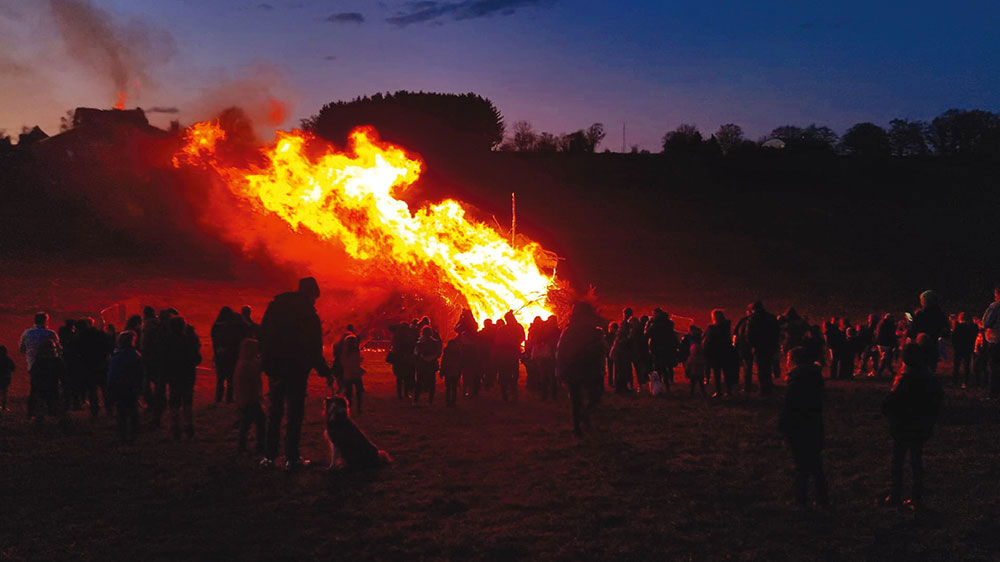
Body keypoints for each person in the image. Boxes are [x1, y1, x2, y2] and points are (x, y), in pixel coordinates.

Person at [259, 277, 331, 469]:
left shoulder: (275, 307)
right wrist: (324, 370)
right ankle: (292, 457)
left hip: (275, 367)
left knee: (274, 412)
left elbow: (262, 334)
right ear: (311, 294)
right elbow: (313, 346)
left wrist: (265, 362)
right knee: (294, 412)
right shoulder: (308, 314)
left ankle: (269, 456)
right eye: (315, 297)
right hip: (296, 370)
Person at [881, 343, 943, 511]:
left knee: (898, 461)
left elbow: (890, 404)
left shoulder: (905, 380)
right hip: (920, 426)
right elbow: (936, 402)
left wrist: (887, 408)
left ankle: (896, 494)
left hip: (903, 426)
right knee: (916, 460)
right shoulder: (929, 378)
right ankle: (916, 497)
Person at [779, 347, 829, 509]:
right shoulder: (813, 377)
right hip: (813, 426)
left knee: (801, 466)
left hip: (799, 428)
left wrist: (784, 428)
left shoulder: (797, 381)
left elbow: (789, 407)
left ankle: (800, 500)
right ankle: (822, 498)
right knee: (815, 464)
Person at [556, 302, 605, 438]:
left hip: (581, 369)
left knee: (584, 399)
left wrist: (560, 371)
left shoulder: (588, 331)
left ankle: (581, 421)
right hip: (582, 369)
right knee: (583, 399)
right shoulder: (575, 331)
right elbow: (562, 352)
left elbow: (561, 352)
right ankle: (578, 425)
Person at [163, 316, 202, 440]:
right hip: (187, 374)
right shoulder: (188, 340)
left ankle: (175, 427)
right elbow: (197, 359)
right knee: (187, 400)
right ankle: (188, 425)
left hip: (174, 374)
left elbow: (163, 358)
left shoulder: (167, 341)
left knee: (174, 400)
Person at [107, 331, 143, 444]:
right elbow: (140, 373)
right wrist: (140, 386)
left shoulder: (116, 356)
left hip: (119, 385)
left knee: (121, 410)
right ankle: (134, 432)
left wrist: (110, 386)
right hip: (130, 386)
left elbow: (112, 373)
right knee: (132, 409)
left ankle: (122, 433)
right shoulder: (135, 355)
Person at [210, 306, 249, 404]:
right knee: (230, 378)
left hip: (220, 355)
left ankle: (218, 398)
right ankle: (228, 398)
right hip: (231, 355)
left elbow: (215, 341)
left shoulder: (217, 326)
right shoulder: (233, 326)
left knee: (220, 378)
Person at [233, 338, 266, 454]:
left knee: (247, 422)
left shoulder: (243, 363)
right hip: (249, 399)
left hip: (245, 398)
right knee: (257, 421)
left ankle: (244, 444)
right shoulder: (248, 366)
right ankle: (257, 444)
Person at [909, 290, 949, 373]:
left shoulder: (921, 314)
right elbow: (945, 328)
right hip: (934, 342)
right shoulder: (940, 314)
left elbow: (913, 329)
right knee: (931, 364)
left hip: (921, 342)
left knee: (921, 364)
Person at [27, 340, 64, 423]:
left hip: (47, 387)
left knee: (47, 405)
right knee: (49, 405)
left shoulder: (40, 361)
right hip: (50, 387)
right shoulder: (56, 361)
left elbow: (34, 375)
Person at [747, 301, 779, 395]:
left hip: (759, 346)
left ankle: (764, 390)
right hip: (770, 345)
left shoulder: (753, 318)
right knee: (768, 367)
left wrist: (752, 345)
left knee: (761, 368)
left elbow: (750, 334)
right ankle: (769, 387)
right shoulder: (771, 317)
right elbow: (777, 331)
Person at [494, 311, 525, 402]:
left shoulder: (502, 328)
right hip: (510, 354)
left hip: (508, 354)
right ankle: (509, 393)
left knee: (507, 373)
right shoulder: (516, 327)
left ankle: (507, 393)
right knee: (511, 373)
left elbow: (497, 342)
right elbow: (522, 338)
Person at [646, 308, 678, 392]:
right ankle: (667, 384)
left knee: (658, 368)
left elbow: (647, 334)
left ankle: (658, 387)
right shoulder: (668, 323)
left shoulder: (655, 324)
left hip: (656, 348)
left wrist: (649, 323)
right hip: (666, 348)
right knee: (665, 367)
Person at [703, 309, 733, 397]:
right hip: (726, 351)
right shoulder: (727, 327)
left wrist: (706, 351)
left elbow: (708, 341)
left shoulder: (712, 328)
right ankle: (729, 390)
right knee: (727, 372)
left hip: (715, 352)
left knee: (717, 373)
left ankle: (719, 391)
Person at [413, 326, 442, 405]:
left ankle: (415, 400)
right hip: (431, 365)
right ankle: (430, 401)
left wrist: (421, 357)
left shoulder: (419, 343)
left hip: (422, 365)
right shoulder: (435, 342)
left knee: (419, 382)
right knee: (432, 383)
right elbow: (438, 353)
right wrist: (432, 357)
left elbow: (415, 353)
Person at [981, 284, 1000, 400]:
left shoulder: (995, 306)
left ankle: (993, 393)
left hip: (995, 339)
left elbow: (987, 322)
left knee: (994, 367)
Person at [951, 313, 977, 388]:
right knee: (966, 365)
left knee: (956, 365)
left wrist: (954, 346)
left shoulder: (958, 327)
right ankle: (965, 381)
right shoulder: (973, 327)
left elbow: (953, 338)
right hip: (968, 348)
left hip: (958, 348)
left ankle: (955, 380)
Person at [340, 335, 366, 413]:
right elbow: (356, 361)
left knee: (348, 392)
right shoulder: (355, 352)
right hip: (356, 374)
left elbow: (343, 362)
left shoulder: (344, 353)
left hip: (348, 375)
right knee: (358, 392)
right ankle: (358, 407)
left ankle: (349, 406)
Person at [683, 325, 707, 397]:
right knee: (700, 383)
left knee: (694, 383)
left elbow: (688, 364)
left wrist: (687, 370)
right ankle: (702, 392)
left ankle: (692, 392)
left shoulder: (692, 358)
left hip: (694, 372)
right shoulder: (701, 358)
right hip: (699, 373)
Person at [440, 337, 463, 407]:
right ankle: (451, 401)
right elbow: (444, 363)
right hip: (452, 372)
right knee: (452, 388)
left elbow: (443, 363)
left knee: (451, 388)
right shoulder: (457, 353)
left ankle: (450, 401)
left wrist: (442, 371)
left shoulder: (448, 353)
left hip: (451, 372)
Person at [875, 313, 899, 378]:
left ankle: (883, 372)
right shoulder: (890, 325)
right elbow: (891, 335)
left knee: (885, 358)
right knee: (886, 358)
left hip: (881, 343)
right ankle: (881, 372)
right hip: (887, 344)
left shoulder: (881, 324)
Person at [0, 345, 13, 413]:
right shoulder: (8, 360)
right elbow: (13, 368)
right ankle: (3, 407)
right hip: (5, 377)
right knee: (4, 392)